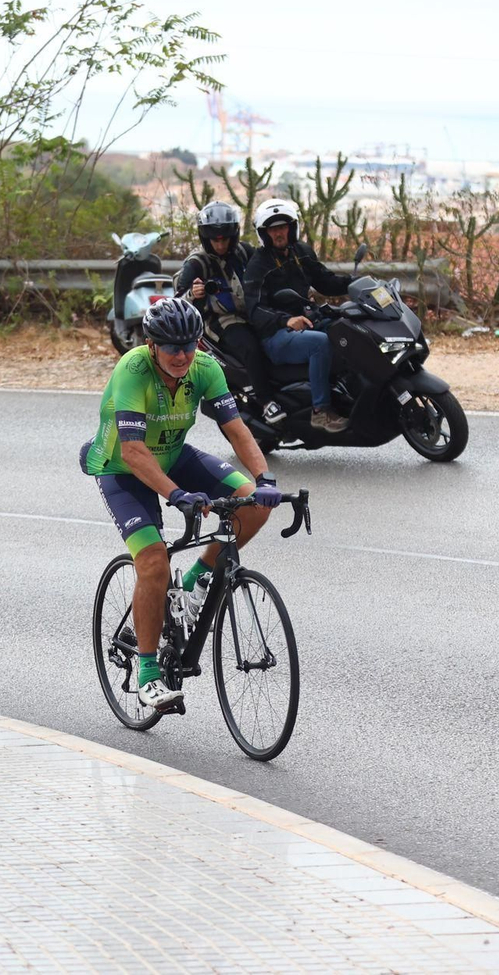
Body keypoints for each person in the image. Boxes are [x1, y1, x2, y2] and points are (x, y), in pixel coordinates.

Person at [79, 297, 282, 711]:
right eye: (171, 347)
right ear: (152, 345)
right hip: (121, 468)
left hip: (173, 454)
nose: (182, 355)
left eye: (189, 345)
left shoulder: (204, 368)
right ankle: (148, 674)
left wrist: (265, 478)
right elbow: (134, 452)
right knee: (153, 561)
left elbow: (237, 431)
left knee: (254, 503)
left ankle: (195, 579)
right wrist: (175, 495)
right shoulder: (133, 370)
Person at [242, 198, 352, 433]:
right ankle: (320, 411)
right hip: (275, 335)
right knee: (320, 343)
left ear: (292, 228)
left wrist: (356, 284)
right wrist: (286, 320)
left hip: (307, 320)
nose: (279, 233)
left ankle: (348, 393)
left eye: (283, 227)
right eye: (273, 229)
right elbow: (254, 309)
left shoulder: (301, 252)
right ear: (265, 233)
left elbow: (325, 281)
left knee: (346, 328)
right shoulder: (258, 265)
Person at [173, 201, 274, 402]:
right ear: (205, 238)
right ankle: (266, 402)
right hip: (221, 321)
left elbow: (270, 272)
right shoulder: (196, 263)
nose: (220, 245)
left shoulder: (244, 252)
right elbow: (177, 303)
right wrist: (194, 294)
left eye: (224, 240)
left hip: (253, 313)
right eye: (214, 240)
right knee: (250, 347)